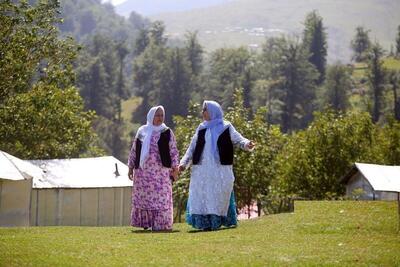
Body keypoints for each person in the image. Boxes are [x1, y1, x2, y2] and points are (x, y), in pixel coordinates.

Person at [179, 100, 255, 231]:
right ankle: (205, 224)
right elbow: (191, 149)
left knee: (218, 193)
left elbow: (238, 139)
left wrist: (247, 143)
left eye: (205, 110)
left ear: (213, 111)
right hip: (202, 170)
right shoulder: (201, 128)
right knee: (204, 195)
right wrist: (183, 164)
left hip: (219, 169)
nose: (202, 112)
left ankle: (218, 221)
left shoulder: (226, 126)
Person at [127, 106, 179, 231]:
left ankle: (160, 224)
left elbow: (173, 151)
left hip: (160, 173)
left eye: (162, 115)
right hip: (143, 173)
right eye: (157, 115)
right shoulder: (142, 131)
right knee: (144, 198)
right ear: (151, 116)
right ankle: (146, 222)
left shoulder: (166, 132)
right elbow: (134, 150)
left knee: (161, 198)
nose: (160, 118)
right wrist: (130, 167)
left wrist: (175, 168)